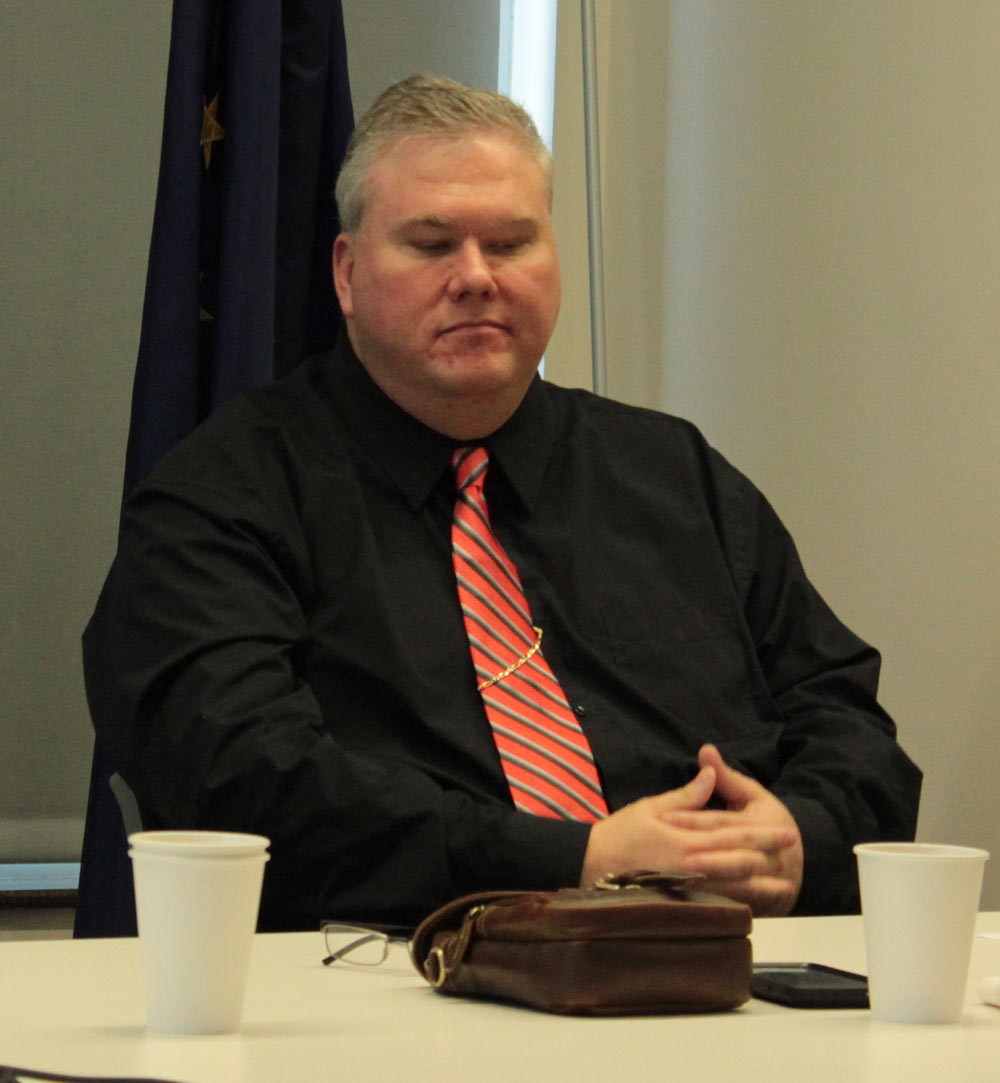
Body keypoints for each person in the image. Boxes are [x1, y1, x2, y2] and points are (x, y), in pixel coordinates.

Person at [83, 74, 921, 932]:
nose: (476, 277)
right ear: (345, 273)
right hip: (388, 1000)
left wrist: (797, 838)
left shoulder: (677, 478)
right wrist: (579, 863)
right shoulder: (221, 500)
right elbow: (237, 784)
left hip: (724, 988)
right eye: (432, 243)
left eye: (512, 241)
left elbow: (852, 726)